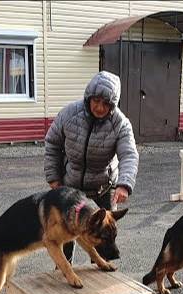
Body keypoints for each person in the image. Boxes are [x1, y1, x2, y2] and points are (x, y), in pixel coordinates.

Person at [44, 71, 139, 263]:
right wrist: (54, 178)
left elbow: (129, 154)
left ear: (113, 105)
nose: (100, 107)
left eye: (106, 104)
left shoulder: (120, 124)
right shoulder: (69, 114)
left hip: (102, 189)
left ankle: (103, 277)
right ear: (89, 96)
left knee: (104, 240)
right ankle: (63, 272)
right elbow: (52, 143)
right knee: (65, 238)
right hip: (70, 190)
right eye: (96, 100)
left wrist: (124, 184)